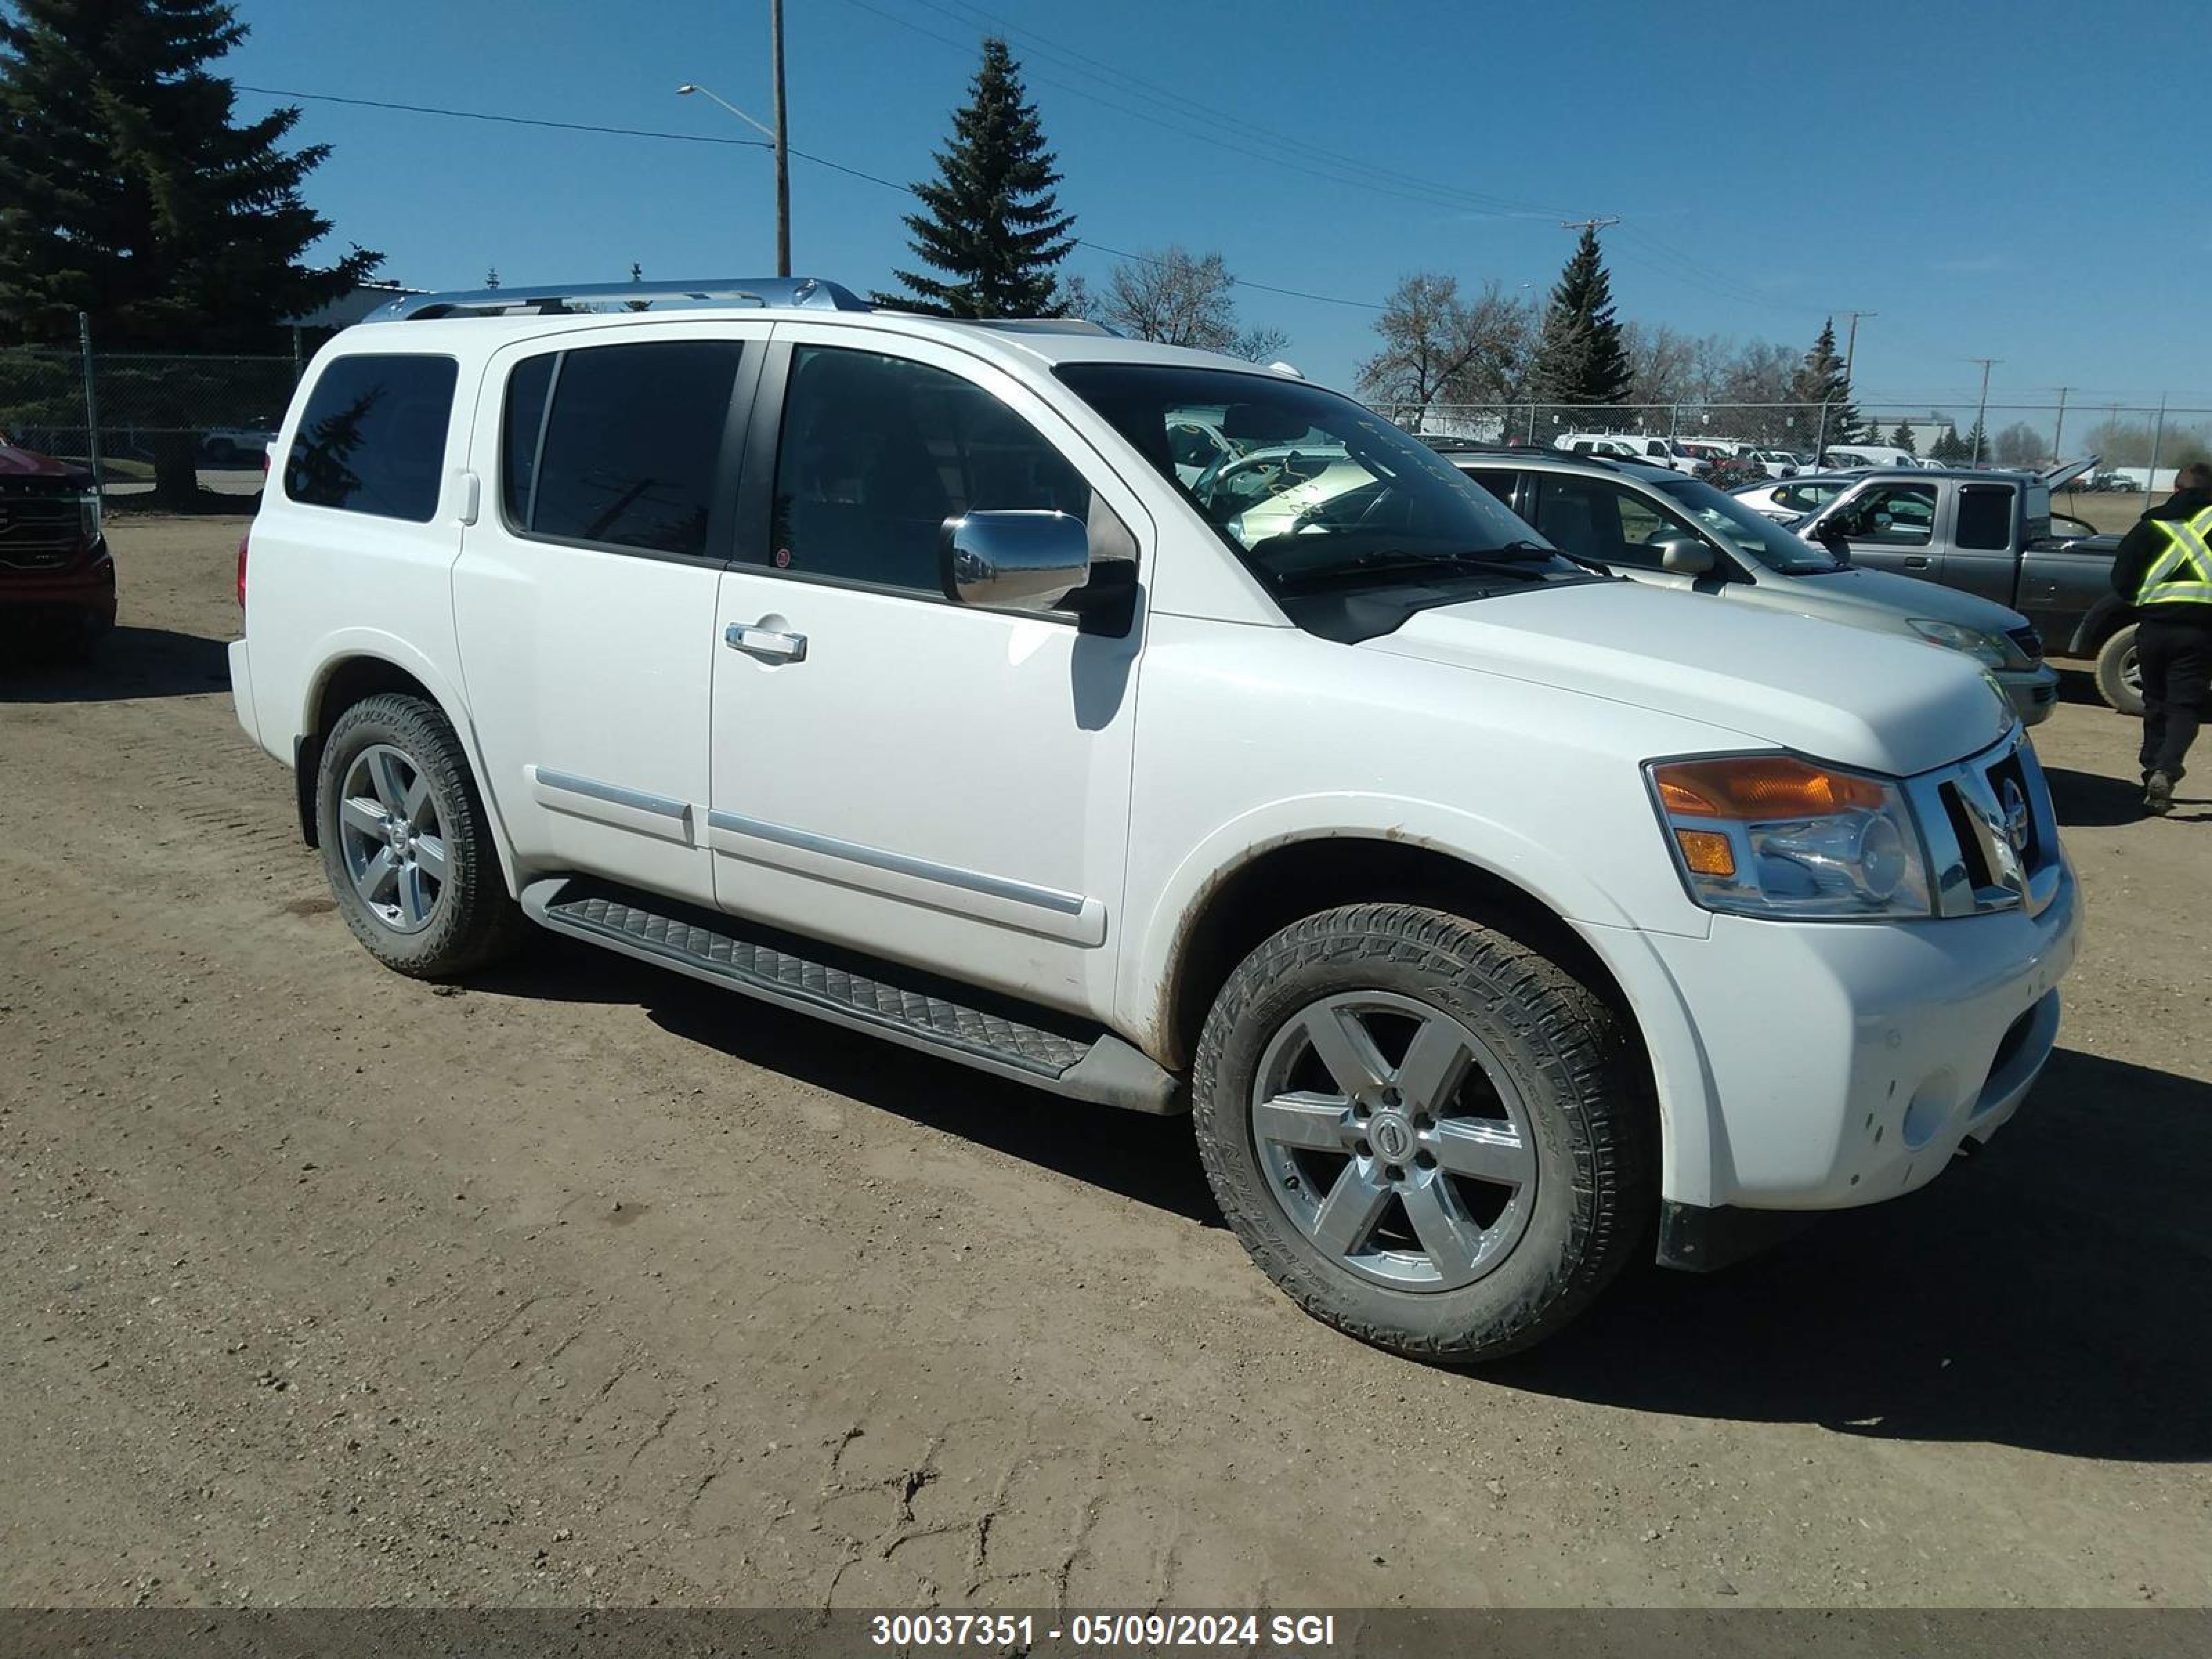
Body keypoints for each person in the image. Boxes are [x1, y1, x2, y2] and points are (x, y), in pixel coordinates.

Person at [2110, 461, 2212, 816]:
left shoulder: (2151, 525)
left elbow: (2122, 577)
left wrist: (2142, 603)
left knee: (2154, 701)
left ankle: (2150, 772)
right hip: (2201, 633)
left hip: (2153, 628)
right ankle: (2166, 770)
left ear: (2176, 490)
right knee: (2185, 706)